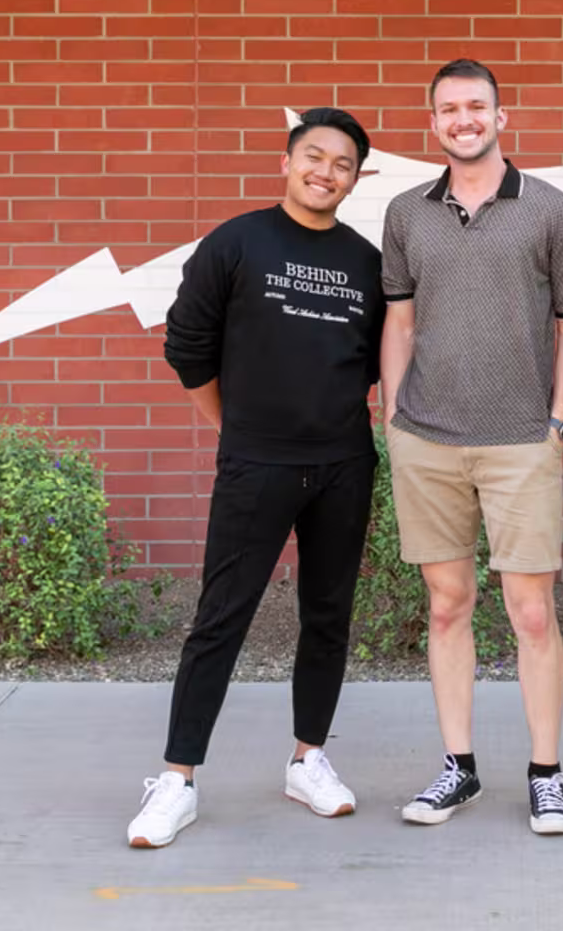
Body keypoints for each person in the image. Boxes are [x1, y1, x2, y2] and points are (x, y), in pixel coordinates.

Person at [126, 107, 385, 848]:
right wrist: (233, 429)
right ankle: (176, 779)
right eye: (313, 156)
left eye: (341, 163)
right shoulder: (237, 241)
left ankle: (309, 760)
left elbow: (369, 365)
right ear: (287, 161)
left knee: (327, 615)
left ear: (356, 178)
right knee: (221, 619)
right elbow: (187, 347)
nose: (324, 171)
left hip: (344, 463)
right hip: (256, 463)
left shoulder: (366, 262)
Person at [379, 58, 563, 835]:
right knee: (447, 604)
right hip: (427, 440)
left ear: (502, 117)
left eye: (476, 107)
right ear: (431, 123)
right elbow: (398, 320)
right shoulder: (406, 213)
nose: (462, 120)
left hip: (520, 444)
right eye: (448, 110)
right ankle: (458, 769)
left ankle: (545, 773)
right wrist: (393, 414)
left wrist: (559, 420)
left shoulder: (552, 211)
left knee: (531, 613)